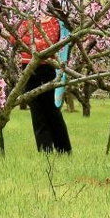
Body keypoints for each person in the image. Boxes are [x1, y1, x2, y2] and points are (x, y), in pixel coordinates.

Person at [16, 14, 72, 153]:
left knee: (52, 110)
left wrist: (28, 41)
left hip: (47, 67)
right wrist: (34, 42)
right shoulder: (28, 19)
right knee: (36, 110)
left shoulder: (55, 22)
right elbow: (15, 38)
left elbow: (49, 45)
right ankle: (44, 151)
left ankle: (64, 149)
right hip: (28, 67)